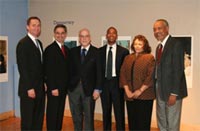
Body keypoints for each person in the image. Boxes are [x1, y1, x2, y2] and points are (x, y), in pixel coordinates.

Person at [153, 19, 188, 131]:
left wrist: (174, 93)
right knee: (161, 120)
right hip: (160, 89)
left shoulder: (176, 44)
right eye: (154, 29)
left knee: (172, 123)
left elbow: (178, 70)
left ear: (167, 29)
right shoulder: (158, 48)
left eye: (159, 28)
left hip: (172, 91)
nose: (157, 31)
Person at [68, 28, 102, 130]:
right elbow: (69, 70)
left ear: (90, 38)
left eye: (86, 36)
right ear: (79, 38)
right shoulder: (73, 51)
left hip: (90, 90)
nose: (84, 38)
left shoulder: (96, 52)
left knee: (89, 117)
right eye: (82, 36)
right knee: (76, 116)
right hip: (74, 89)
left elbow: (99, 72)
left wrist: (97, 89)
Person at [120, 35, 155, 130]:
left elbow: (151, 76)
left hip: (145, 95)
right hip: (130, 95)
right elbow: (122, 74)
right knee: (132, 122)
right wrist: (127, 91)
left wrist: (140, 90)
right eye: (135, 44)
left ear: (145, 45)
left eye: (140, 44)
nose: (137, 46)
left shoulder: (149, 58)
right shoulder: (128, 58)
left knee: (143, 123)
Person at [16, 16, 45, 130]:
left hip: (39, 88)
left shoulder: (39, 43)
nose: (36, 28)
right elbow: (23, 68)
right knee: (28, 121)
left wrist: (44, 82)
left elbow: (40, 67)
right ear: (27, 27)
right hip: (29, 90)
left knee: (38, 119)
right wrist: (29, 88)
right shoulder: (23, 43)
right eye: (33, 25)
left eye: (38, 25)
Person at [99, 26, 129, 130]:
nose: (111, 35)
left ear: (117, 36)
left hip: (118, 85)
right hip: (105, 84)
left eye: (114, 33)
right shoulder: (100, 51)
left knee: (119, 112)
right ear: (106, 35)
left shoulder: (124, 52)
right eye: (109, 33)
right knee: (106, 111)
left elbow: (125, 71)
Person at [43, 24, 70, 130]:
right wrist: (53, 87)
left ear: (66, 34)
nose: (60, 35)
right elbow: (48, 70)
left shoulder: (66, 49)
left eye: (62, 33)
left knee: (59, 114)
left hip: (63, 89)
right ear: (54, 34)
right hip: (54, 89)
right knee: (52, 115)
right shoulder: (50, 49)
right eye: (58, 33)